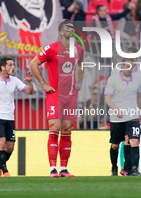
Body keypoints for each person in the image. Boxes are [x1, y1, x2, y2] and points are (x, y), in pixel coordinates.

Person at [30, 20, 84, 177]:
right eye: (68, 28)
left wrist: (79, 82)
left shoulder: (79, 49)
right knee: (54, 127)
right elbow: (34, 63)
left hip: (71, 95)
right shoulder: (52, 48)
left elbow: (81, 65)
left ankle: (64, 169)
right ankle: (52, 169)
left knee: (67, 129)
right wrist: (43, 84)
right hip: (55, 94)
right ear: (61, 32)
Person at [105, 59, 141, 177]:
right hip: (117, 118)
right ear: (121, 66)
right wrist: (115, 109)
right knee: (115, 145)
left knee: (134, 141)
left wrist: (140, 112)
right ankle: (114, 168)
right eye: (127, 66)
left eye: (131, 66)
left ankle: (134, 170)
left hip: (132, 116)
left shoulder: (137, 80)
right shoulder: (113, 79)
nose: (129, 69)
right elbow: (107, 98)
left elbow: (139, 97)